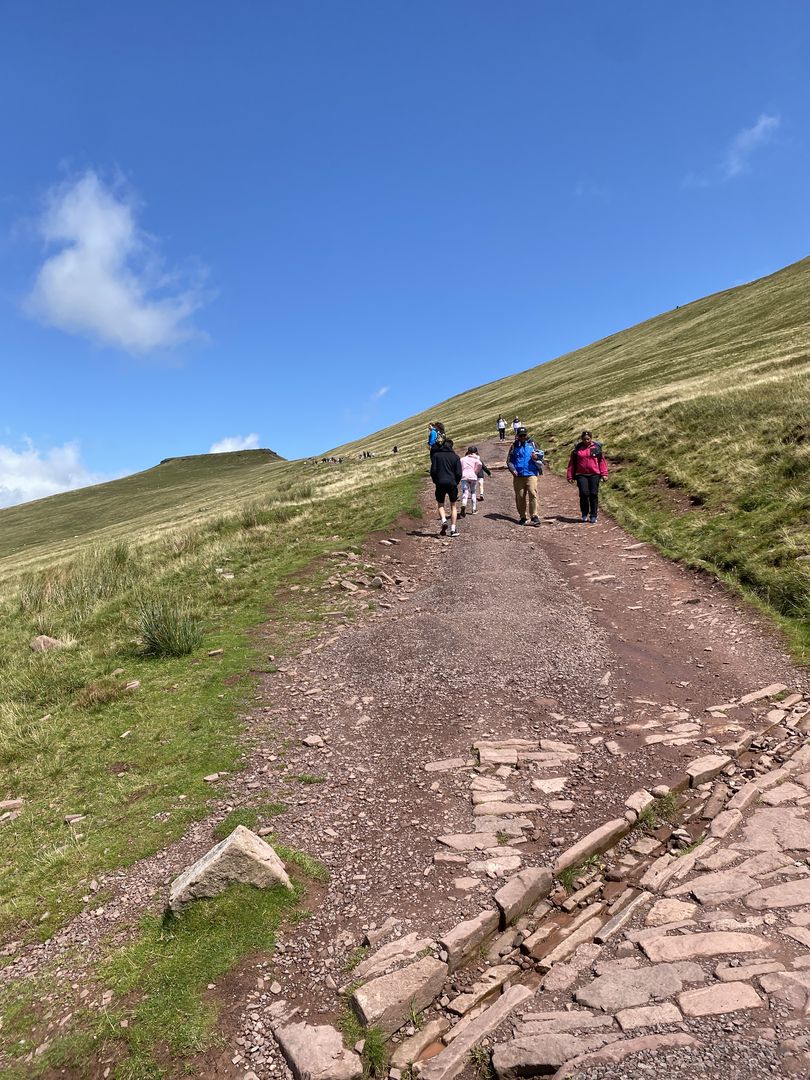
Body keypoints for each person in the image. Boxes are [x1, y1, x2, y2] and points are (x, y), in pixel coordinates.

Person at [566, 429, 608, 523]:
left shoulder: (596, 448)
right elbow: (572, 463)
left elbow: (601, 462)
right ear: (582, 439)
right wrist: (569, 475)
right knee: (584, 494)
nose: (586, 441)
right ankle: (584, 513)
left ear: (591, 439)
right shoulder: (577, 449)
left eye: (588, 439)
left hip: (594, 474)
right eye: (584, 439)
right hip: (581, 474)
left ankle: (593, 515)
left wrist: (604, 474)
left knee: (593, 494)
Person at [507, 426, 544, 525]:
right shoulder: (514, 446)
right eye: (520, 435)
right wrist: (513, 470)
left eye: (524, 435)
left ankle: (534, 516)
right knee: (520, 496)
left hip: (531, 473)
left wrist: (536, 457)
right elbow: (509, 461)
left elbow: (541, 456)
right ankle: (523, 517)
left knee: (533, 493)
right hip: (518, 475)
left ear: (526, 435)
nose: (522, 437)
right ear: (517, 436)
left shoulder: (533, 444)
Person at [430, 436, 462, 536]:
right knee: (453, 505)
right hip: (452, 483)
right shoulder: (456, 457)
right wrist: (456, 482)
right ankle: (453, 529)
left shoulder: (436, 456)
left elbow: (433, 471)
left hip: (440, 482)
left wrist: (435, 481)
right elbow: (459, 473)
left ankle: (444, 520)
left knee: (440, 504)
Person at [458, 445, 483, 516]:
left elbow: (459, 467)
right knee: (473, 492)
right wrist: (475, 472)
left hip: (464, 477)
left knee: (465, 492)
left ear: (468, 451)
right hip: (473, 476)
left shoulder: (462, 459)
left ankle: (464, 504)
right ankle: (474, 509)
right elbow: (480, 465)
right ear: (476, 452)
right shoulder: (476, 459)